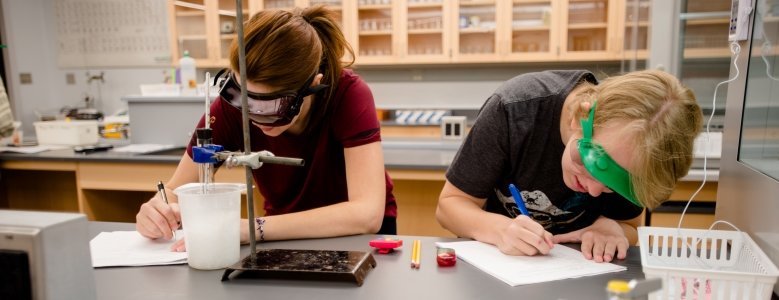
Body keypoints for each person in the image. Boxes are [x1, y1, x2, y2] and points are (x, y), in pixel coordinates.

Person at [136, 5, 397, 249]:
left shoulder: (348, 94)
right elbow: (175, 189)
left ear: (314, 84)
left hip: (356, 237)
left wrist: (247, 229)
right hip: (279, 234)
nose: (255, 117)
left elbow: (366, 214)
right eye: (245, 100)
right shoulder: (230, 106)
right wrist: (157, 209)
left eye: (271, 106)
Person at [436, 70, 702, 262]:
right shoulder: (514, 110)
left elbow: (630, 225)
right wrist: (500, 230)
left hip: (581, 274)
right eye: (592, 165)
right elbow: (449, 206)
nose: (594, 190)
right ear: (581, 117)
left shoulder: (635, 152)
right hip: (499, 265)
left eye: (612, 186)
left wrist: (612, 229)